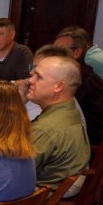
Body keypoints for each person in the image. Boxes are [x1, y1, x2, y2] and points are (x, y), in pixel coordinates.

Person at [26, 55, 90, 189]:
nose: (30, 81)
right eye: (32, 75)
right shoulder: (69, 108)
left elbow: (11, 170)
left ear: (58, 86)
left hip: (39, 193)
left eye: (39, 77)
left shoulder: (46, 129)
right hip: (61, 183)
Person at [45, 36, 103, 145]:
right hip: (85, 130)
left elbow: (63, 111)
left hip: (91, 138)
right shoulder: (81, 72)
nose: (52, 55)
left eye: (59, 50)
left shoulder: (82, 78)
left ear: (77, 52)